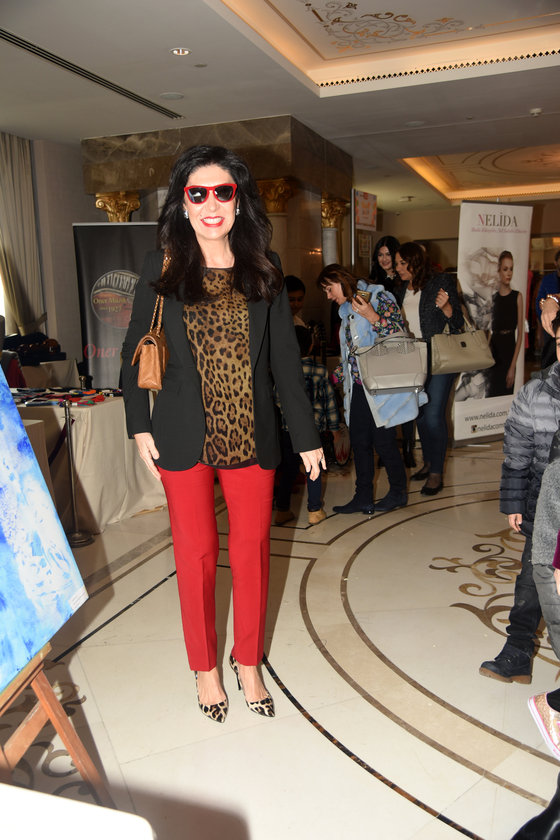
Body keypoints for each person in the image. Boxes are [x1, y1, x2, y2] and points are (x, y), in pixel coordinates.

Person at [121, 145, 323, 724]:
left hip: (251, 436)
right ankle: (205, 668)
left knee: (253, 555)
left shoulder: (264, 265)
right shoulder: (162, 266)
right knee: (196, 556)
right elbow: (135, 350)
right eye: (198, 193)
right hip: (181, 435)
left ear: (239, 200)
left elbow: (284, 361)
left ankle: (248, 661)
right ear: (183, 204)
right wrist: (139, 424)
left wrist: (306, 435)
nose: (211, 204)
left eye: (223, 192)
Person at [479, 313, 560, 683]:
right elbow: (518, 452)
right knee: (531, 579)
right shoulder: (536, 392)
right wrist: (514, 502)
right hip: (546, 509)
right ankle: (517, 650)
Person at [317, 263, 421, 515]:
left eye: (329, 289)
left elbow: (399, 335)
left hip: (380, 385)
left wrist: (372, 315)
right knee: (360, 442)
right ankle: (362, 496)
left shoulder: (379, 297)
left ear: (340, 280)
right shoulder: (345, 311)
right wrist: (331, 378)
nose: (328, 296)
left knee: (384, 442)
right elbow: (351, 355)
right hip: (358, 387)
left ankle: (398, 492)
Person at [394, 242, 464, 495]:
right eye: (397, 263)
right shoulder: (400, 289)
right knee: (420, 415)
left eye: (402, 263)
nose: (398, 267)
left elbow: (458, 323)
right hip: (412, 358)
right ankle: (428, 462)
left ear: (415, 262)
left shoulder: (440, 281)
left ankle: (436, 473)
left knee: (434, 415)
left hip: (439, 357)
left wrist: (447, 308)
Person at [274, 325, 341, 525]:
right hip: (313, 430)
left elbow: (277, 399)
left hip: (289, 430)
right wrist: (334, 428)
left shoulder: (283, 372)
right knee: (314, 468)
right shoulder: (320, 370)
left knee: (288, 469)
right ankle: (314, 510)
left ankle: (282, 510)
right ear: (311, 346)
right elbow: (330, 401)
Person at [487, 250, 524, 397]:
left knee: (506, 397)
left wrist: (512, 367)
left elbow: (520, 334)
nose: (509, 273)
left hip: (509, 350)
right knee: (491, 397)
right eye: (505, 269)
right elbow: (489, 330)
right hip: (493, 351)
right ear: (499, 271)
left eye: (511, 269)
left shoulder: (517, 297)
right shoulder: (493, 298)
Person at [535, 249, 560, 369]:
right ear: (556, 262)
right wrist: (543, 321)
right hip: (550, 328)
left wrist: (554, 299)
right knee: (549, 363)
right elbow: (539, 302)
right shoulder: (547, 279)